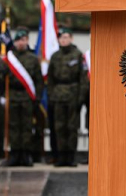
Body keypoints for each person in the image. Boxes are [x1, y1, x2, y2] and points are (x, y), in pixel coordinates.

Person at [47, 28, 88, 167]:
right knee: (59, 127)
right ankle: (61, 157)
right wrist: (51, 96)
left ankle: (71, 157)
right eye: (61, 38)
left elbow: (83, 79)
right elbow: (51, 79)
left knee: (71, 128)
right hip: (58, 96)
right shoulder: (55, 56)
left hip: (73, 95)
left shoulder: (78, 55)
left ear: (71, 38)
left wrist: (80, 98)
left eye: (66, 37)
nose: (64, 40)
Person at [6, 29, 43, 167]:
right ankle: (15, 153)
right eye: (18, 40)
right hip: (13, 95)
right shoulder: (9, 58)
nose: (21, 43)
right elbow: (2, 79)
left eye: (24, 40)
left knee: (27, 126)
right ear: (14, 42)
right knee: (14, 126)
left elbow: (38, 80)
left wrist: (37, 97)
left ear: (27, 41)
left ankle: (27, 154)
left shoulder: (32, 59)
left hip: (27, 96)